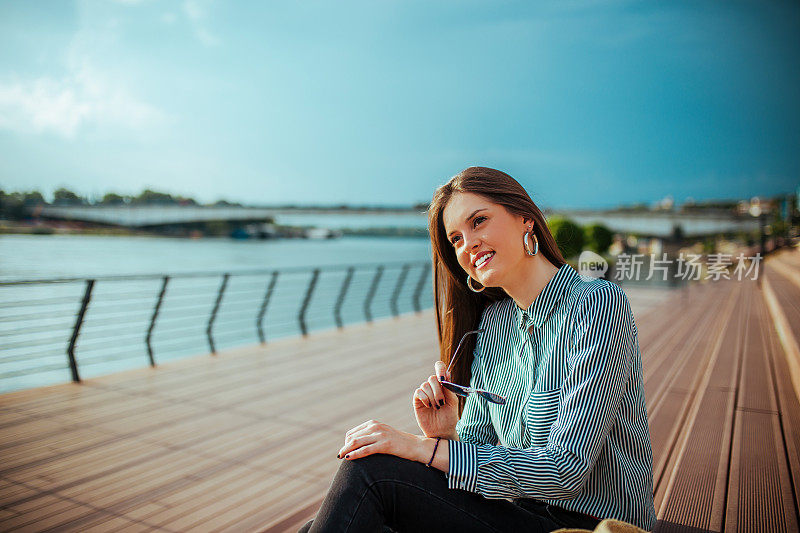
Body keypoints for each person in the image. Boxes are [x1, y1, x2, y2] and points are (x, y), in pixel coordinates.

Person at [299, 167, 657, 532]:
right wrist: (445, 435)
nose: (467, 244)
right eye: (455, 238)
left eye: (479, 221)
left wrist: (420, 448)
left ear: (525, 219)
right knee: (332, 517)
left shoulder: (597, 303)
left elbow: (565, 471)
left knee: (370, 476)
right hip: (516, 512)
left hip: (586, 524)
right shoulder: (493, 323)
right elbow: (479, 448)